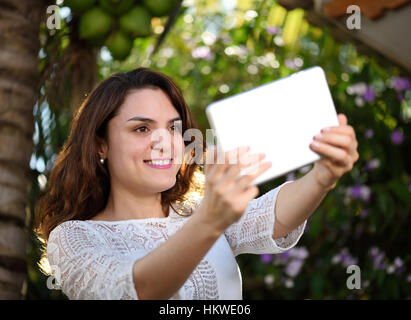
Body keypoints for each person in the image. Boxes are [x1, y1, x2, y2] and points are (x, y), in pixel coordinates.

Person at [35, 67, 359, 300]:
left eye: (173, 128)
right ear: (100, 145)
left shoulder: (195, 211)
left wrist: (323, 176)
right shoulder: (74, 238)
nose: (164, 142)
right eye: (142, 129)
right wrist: (210, 221)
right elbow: (135, 292)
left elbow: (271, 219)